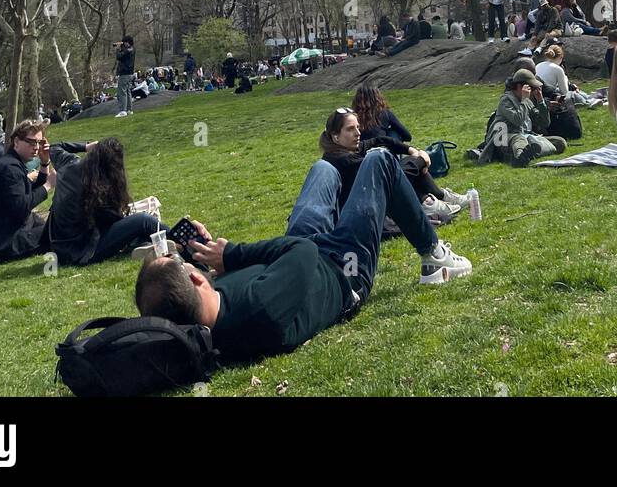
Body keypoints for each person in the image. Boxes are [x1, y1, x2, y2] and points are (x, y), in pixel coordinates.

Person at [135, 147, 473, 365]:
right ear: (195, 281)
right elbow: (303, 250)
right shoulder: (259, 308)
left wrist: (202, 253)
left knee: (323, 169)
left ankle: (363, 199)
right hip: (341, 267)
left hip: (300, 258)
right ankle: (435, 255)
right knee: (380, 160)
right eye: (183, 266)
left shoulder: (207, 315)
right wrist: (231, 253)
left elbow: (211, 283)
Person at [48, 138, 188, 265]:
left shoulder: (69, 163)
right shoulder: (97, 190)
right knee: (144, 220)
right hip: (82, 252)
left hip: (60, 248)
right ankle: (187, 244)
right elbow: (112, 222)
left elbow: (54, 147)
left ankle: (145, 244)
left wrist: (86, 146)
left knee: (136, 222)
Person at [317, 105, 461, 222]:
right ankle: (431, 200)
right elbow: (392, 178)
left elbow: (380, 140)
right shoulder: (342, 160)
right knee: (405, 167)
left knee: (408, 163)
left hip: (373, 203)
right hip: (363, 213)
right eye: (350, 129)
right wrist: (420, 160)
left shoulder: (347, 148)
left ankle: (435, 199)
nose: (358, 133)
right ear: (335, 137)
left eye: (357, 127)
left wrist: (411, 150)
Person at [0, 120, 57, 263]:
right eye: (31, 142)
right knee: (56, 230)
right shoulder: (10, 168)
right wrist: (48, 185)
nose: (36, 147)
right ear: (16, 141)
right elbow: (22, 207)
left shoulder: (11, 162)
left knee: (48, 224)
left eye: (39, 142)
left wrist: (44, 163)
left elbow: (27, 193)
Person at [466, 71, 567, 166]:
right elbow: (517, 120)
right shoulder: (506, 100)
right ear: (520, 86)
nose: (532, 90)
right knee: (519, 138)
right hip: (502, 139)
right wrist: (525, 100)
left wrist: (541, 102)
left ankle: (526, 154)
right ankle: (519, 158)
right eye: (531, 87)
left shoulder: (526, 101)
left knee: (560, 142)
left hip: (524, 137)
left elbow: (544, 123)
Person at [114, 36, 136, 119]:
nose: (124, 44)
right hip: (130, 73)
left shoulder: (128, 50)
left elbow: (119, 57)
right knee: (127, 92)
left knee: (122, 92)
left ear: (128, 42)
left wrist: (118, 49)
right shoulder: (132, 49)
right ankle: (129, 110)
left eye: (124, 42)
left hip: (124, 73)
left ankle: (123, 110)